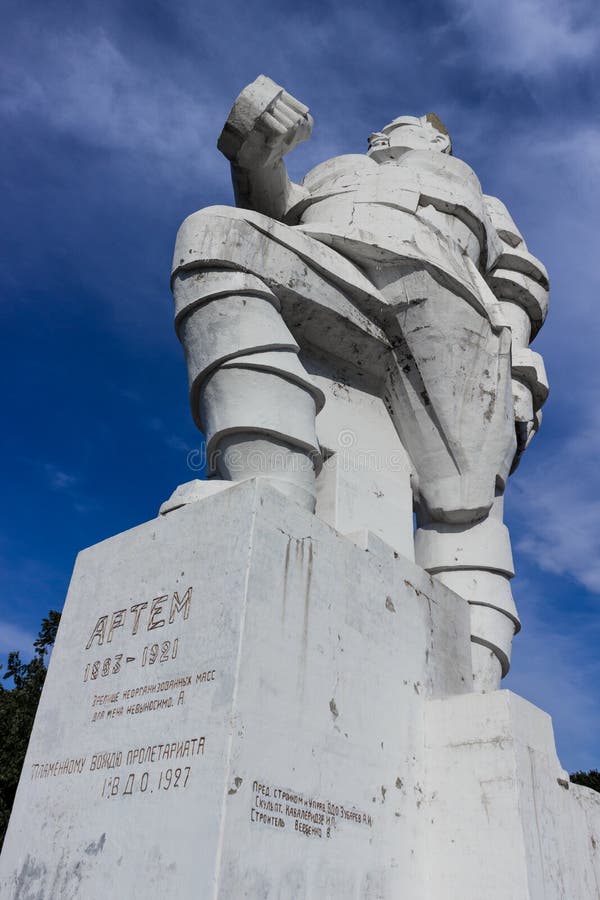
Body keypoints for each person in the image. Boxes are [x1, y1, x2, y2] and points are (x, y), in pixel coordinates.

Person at [171, 76, 549, 690]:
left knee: (464, 501)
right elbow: (273, 207)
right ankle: (270, 486)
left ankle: (474, 677)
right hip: (338, 271)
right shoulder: (333, 173)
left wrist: (515, 370)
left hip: (450, 304)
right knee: (214, 237)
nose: (381, 132)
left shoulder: (481, 197)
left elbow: (517, 284)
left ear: (438, 143)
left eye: (400, 126)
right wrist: (258, 151)